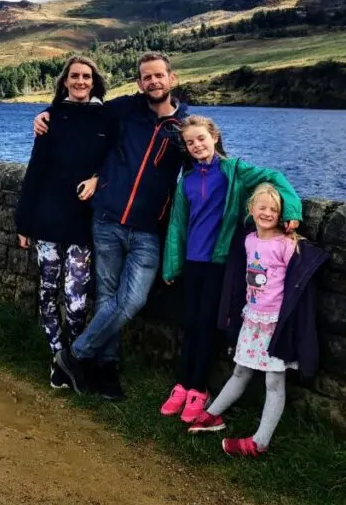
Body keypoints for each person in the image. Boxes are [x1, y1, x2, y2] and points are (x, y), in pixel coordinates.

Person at [35, 52, 191, 399]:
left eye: (159, 76)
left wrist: (277, 195)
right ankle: (105, 370)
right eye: (146, 77)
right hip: (106, 220)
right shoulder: (125, 109)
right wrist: (47, 116)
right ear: (139, 83)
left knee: (132, 300)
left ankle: (73, 355)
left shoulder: (185, 127)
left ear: (172, 78)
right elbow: (80, 111)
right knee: (107, 297)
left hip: (149, 229)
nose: (153, 82)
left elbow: (215, 164)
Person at [158, 115, 302, 425]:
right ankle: (182, 385)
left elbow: (275, 177)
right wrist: (172, 263)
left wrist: (291, 210)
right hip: (193, 263)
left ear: (214, 137)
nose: (197, 145)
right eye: (190, 142)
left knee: (209, 326)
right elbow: (178, 225)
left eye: (201, 139)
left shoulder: (234, 171)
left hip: (219, 263)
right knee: (191, 323)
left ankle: (199, 389)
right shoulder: (188, 180)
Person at [184, 183, 327, 457]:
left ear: (282, 214)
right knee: (240, 371)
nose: (267, 213)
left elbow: (299, 280)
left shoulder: (287, 245)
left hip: (275, 325)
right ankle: (212, 415)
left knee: (274, 382)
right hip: (252, 320)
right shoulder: (249, 241)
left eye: (274, 209)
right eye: (262, 207)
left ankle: (260, 442)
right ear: (251, 209)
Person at [15, 56, 116, 389]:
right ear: (64, 81)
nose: (81, 81)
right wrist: (23, 222)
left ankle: (72, 357)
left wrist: (99, 179)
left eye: (86, 76)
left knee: (76, 298)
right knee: (47, 291)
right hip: (46, 220)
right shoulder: (50, 118)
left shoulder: (107, 117)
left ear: (94, 81)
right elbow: (35, 171)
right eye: (74, 76)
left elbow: (117, 163)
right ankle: (56, 357)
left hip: (82, 223)